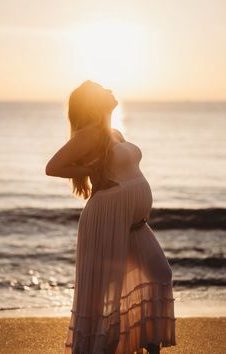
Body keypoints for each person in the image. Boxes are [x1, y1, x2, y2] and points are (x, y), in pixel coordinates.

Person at [45, 80, 177, 354]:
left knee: (159, 273)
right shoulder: (90, 135)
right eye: (102, 89)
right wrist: (90, 169)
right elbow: (53, 167)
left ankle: (146, 345)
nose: (109, 90)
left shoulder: (114, 132)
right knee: (107, 293)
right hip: (105, 220)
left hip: (133, 223)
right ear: (94, 101)